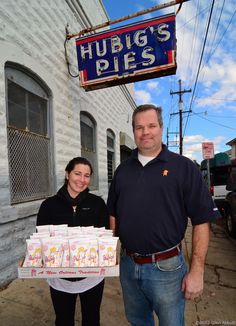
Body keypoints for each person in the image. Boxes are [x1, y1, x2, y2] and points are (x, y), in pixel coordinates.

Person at [107, 104, 221, 326]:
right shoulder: (122, 170)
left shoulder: (184, 168)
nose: (145, 132)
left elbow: (201, 221)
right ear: (133, 132)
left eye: (151, 125)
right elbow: (113, 214)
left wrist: (197, 271)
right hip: (128, 266)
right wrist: (107, 254)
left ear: (161, 127)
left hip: (167, 269)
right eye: (139, 127)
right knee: (138, 321)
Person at [37, 157, 109, 326]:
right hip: (60, 277)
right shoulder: (49, 205)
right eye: (77, 173)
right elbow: (41, 239)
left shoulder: (97, 204)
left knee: (92, 319)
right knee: (63, 319)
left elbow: (105, 235)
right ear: (67, 174)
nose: (82, 180)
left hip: (92, 277)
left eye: (87, 175)